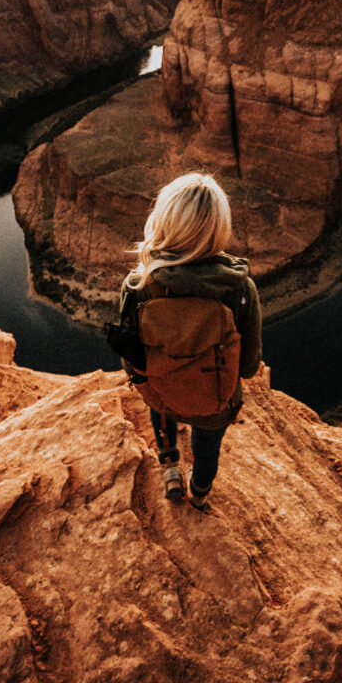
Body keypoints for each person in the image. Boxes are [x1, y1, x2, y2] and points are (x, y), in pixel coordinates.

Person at [120, 173, 262, 510]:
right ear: (219, 228)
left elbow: (130, 358)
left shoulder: (139, 285)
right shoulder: (240, 290)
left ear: (163, 220)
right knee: (207, 450)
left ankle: (170, 468)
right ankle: (199, 493)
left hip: (162, 393)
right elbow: (248, 366)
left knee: (162, 413)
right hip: (214, 403)